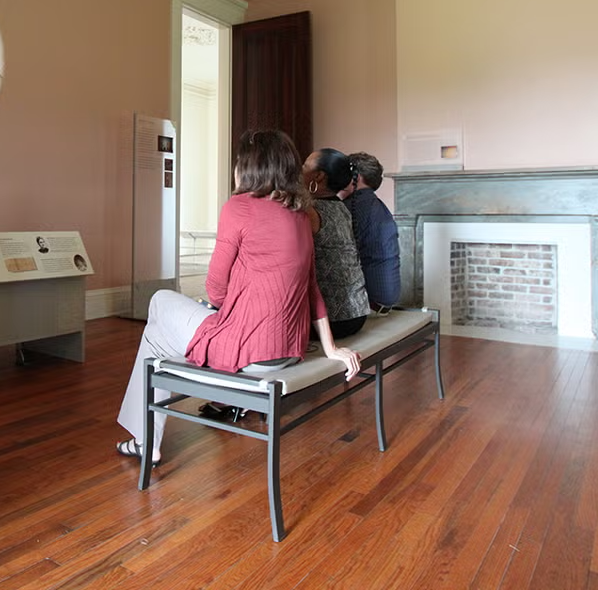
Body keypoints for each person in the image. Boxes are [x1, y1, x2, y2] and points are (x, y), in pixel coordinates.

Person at [116, 130, 360, 465]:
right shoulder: (301, 214)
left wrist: (226, 309)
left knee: (160, 304)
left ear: (249, 167)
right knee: (171, 329)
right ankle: (181, 405)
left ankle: (146, 440)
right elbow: (312, 288)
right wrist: (332, 348)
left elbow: (215, 288)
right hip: (288, 352)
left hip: (250, 352)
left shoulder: (239, 207)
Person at [302, 148, 372, 340]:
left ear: (318, 176)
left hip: (332, 319)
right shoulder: (341, 208)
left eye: (306, 165)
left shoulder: (310, 211)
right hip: (357, 313)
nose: (301, 169)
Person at [340, 152, 401, 314]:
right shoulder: (377, 205)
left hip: (370, 306)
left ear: (356, 176)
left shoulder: (354, 206)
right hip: (386, 300)